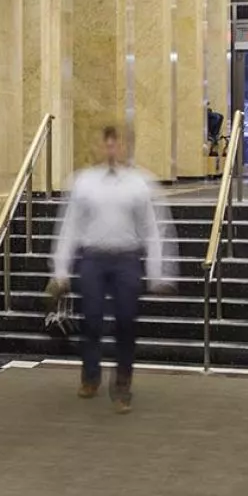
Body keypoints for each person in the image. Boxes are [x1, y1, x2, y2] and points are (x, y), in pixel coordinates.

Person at [48, 124, 173, 412]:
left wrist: (157, 272)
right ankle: (90, 376)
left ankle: (122, 386)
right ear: (98, 147)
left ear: (126, 147)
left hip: (127, 260)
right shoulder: (83, 182)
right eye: (107, 144)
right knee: (91, 320)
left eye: (117, 144)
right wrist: (61, 270)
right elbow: (69, 227)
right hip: (92, 259)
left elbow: (153, 230)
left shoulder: (140, 183)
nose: (112, 149)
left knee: (126, 322)